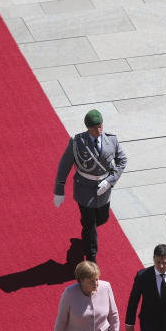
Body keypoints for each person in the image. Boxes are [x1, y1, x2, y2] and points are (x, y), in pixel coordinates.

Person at [54, 109, 127, 263]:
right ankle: (91, 256)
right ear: (87, 127)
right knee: (90, 226)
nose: (98, 130)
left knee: (103, 218)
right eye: (94, 128)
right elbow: (64, 165)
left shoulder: (111, 140)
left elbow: (122, 161)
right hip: (84, 189)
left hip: (103, 189)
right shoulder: (77, 142)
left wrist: (110, 181)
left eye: (100, 126)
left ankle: (87, 228)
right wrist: (59, 190)